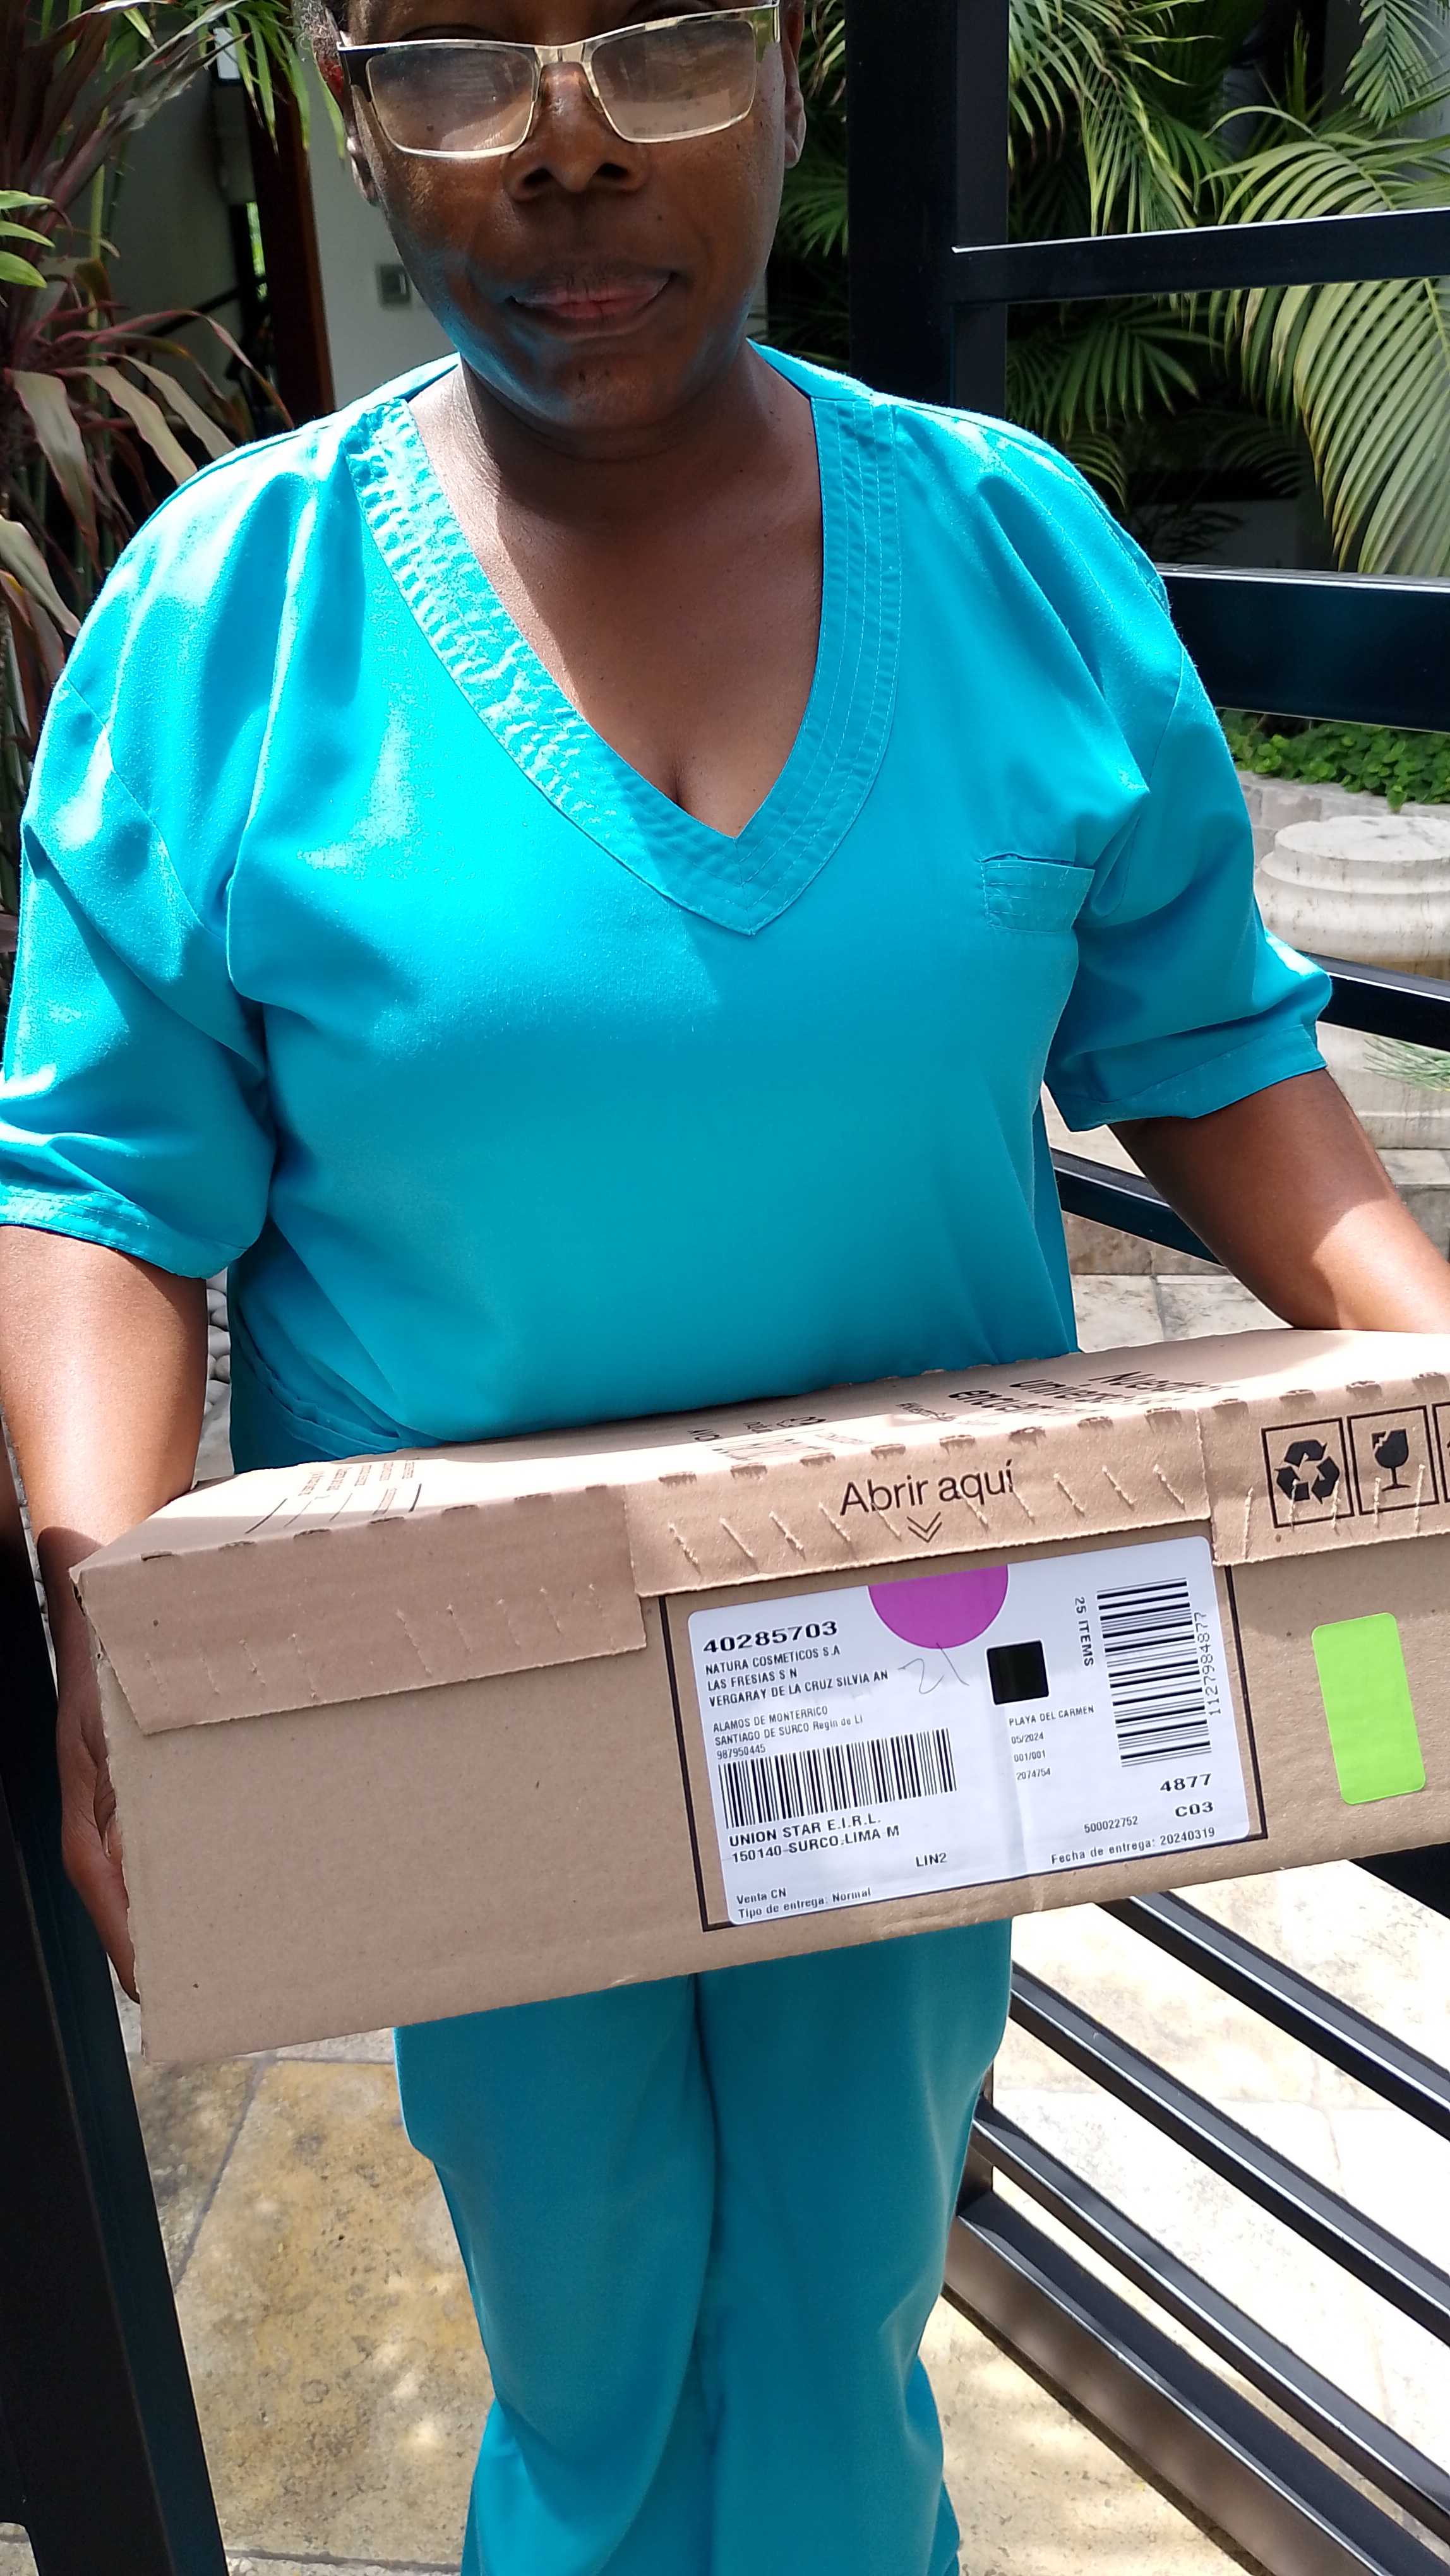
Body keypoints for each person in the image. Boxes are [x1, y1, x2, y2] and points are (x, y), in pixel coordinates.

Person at [3, 4, 1449, 2569]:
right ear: (354, 117)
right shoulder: (233, 617)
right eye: (458, 72)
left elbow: (1210, 1043)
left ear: (784, 78)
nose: (565, 154)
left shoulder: (1008, 557)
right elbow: (109, 1178)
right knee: (581, 2311)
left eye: (659, 49)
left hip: (923, 1644)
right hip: (456, 1668)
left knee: (846, 2269)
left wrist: (1419, 1373)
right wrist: (111, 1606)